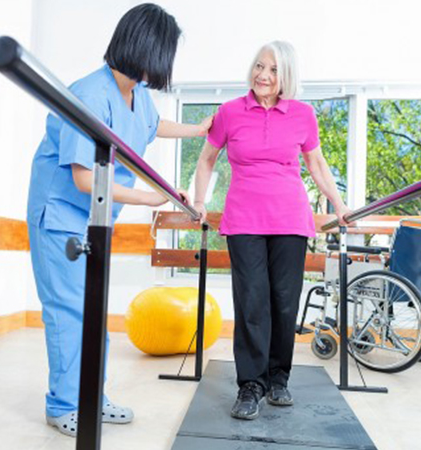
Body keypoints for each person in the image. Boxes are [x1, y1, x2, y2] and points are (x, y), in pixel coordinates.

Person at [27, 3, 210, 437]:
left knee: (94, 311)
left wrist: (198, 129)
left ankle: (91, 395)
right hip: (60, 214)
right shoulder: (90, 94)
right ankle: (62, 404)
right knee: (69, 311)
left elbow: (152, 125)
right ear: (146, 48)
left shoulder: (135, 93)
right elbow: (84, 177)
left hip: (94, 219)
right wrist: (151, 197)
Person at [193, 40, 349, 420]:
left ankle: (278, 378)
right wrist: (199, 201)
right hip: (244, 219)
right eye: (259, 67)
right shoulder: (230, 112)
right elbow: (207, 160)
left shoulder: (303, 115)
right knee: (251, 302)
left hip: (290, 220)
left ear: (286, 77)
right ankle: (251, 384)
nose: (263, 75)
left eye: (273, 70)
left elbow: (317, 164)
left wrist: (340, 205)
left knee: (283, 301)